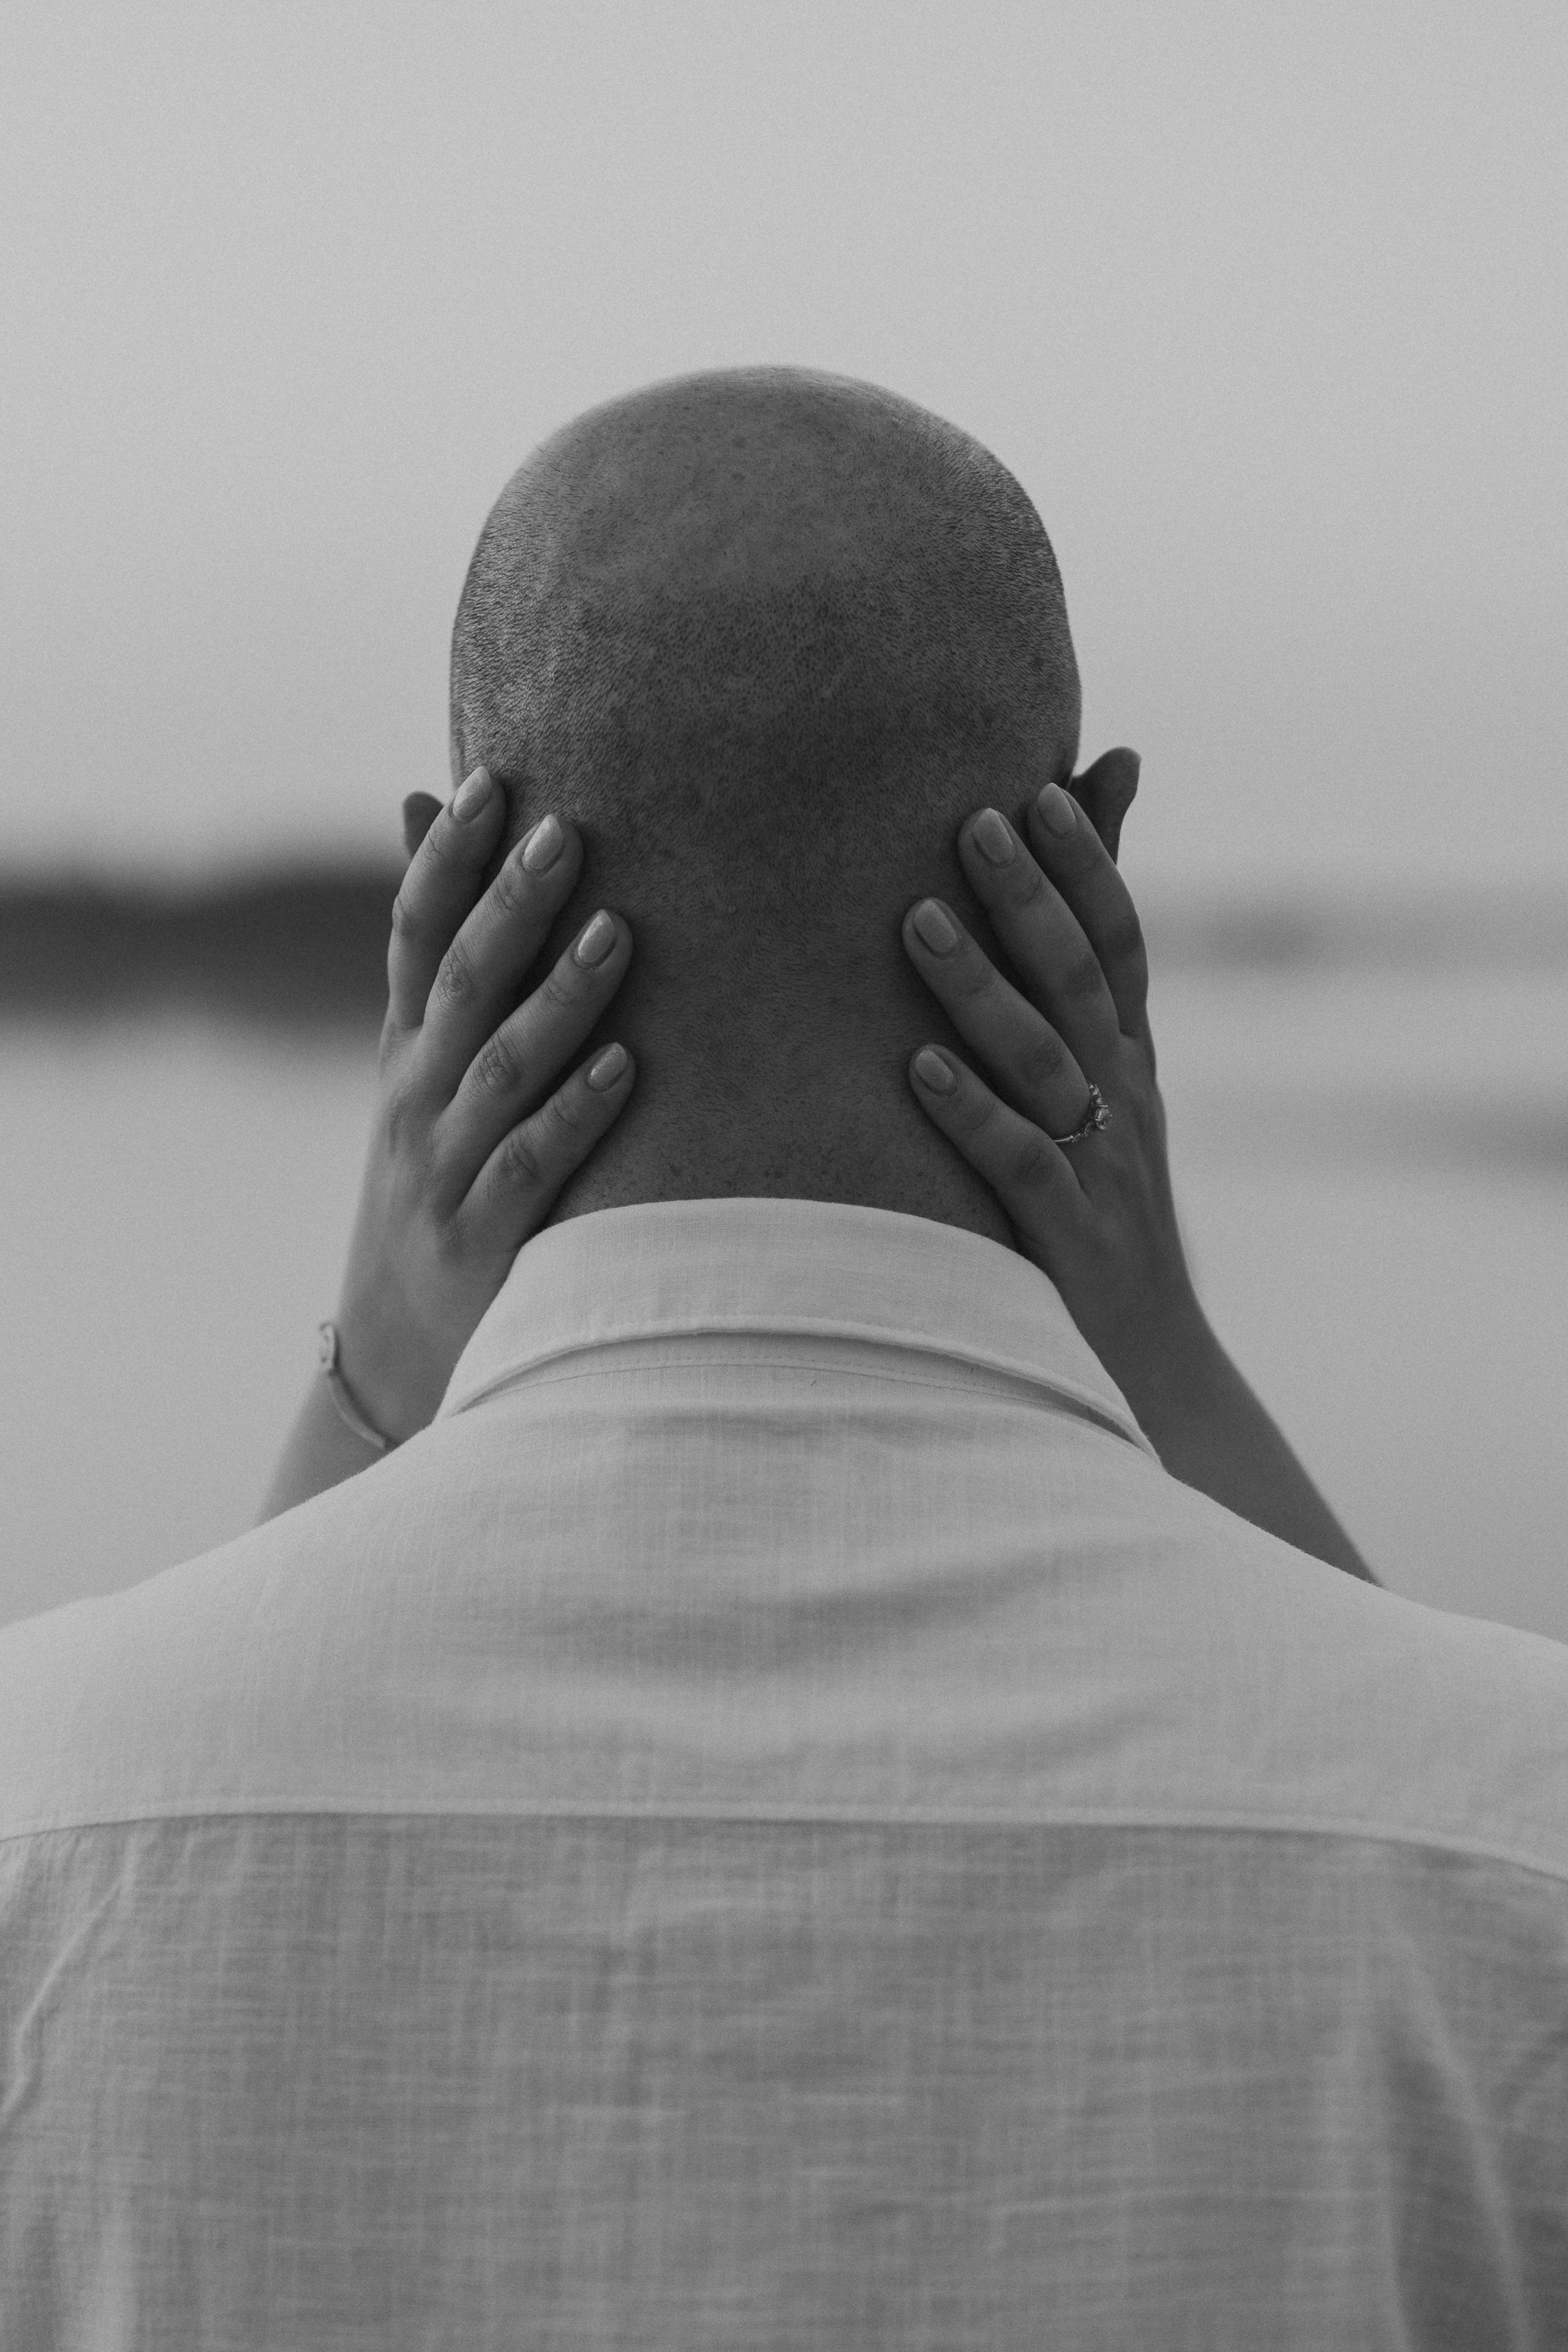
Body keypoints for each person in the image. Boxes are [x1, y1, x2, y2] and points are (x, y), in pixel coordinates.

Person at [1, 368, 1563, 2346]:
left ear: (449, 897)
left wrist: (369, 1400)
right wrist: (1163, 1367)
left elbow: (168, 1808)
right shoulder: (1509, 1840)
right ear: (1088, 870)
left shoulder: (45, 1822)